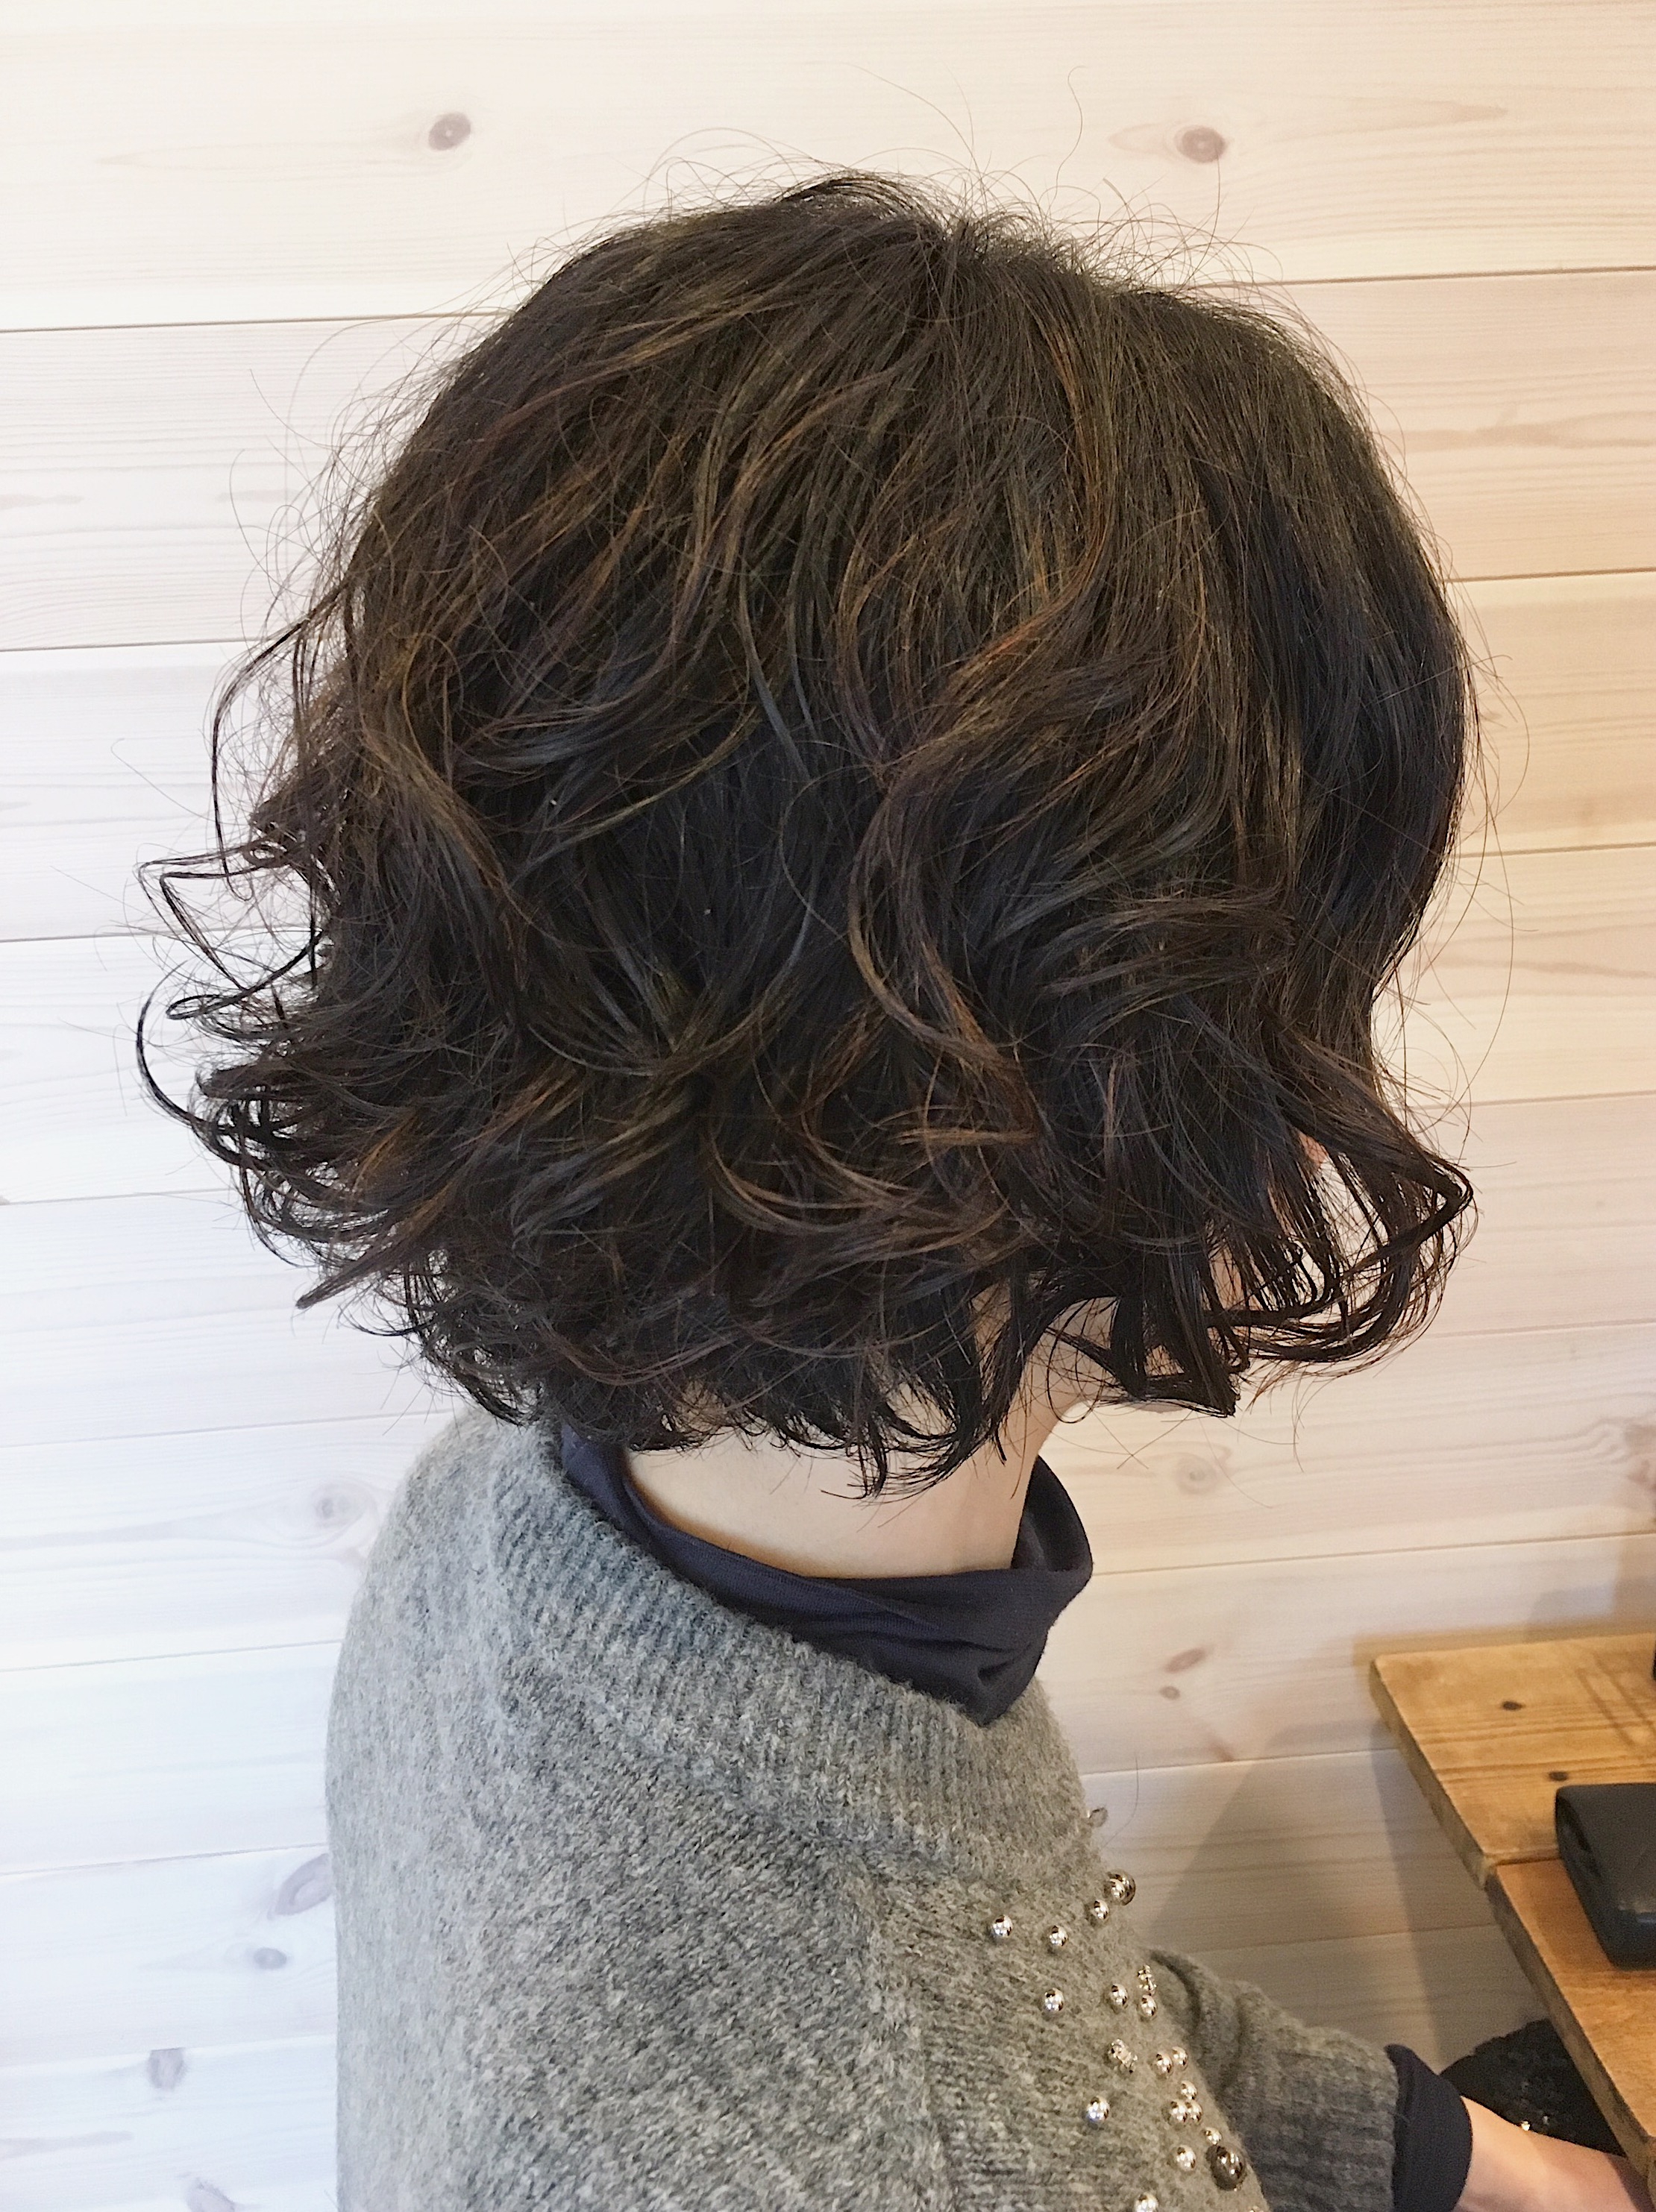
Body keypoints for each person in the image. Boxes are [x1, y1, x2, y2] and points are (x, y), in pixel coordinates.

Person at [137, 172, 1653, 2212]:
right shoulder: (909, 2145)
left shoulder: (526, 1515)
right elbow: (953, 2051)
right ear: (1069, 1071)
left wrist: (1445, 2154)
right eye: (1305, 981)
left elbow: (1005, 1964)